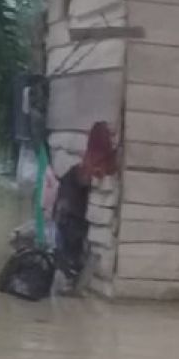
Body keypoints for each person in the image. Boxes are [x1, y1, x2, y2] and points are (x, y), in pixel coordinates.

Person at [53, 121, 118, 292]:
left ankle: (67, 283)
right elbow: (89, 179)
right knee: (72, 258)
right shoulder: (92, 165)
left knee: (67, 257)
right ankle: (69, 283)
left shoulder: (82, 165)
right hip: (72, 216)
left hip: (64, 213)